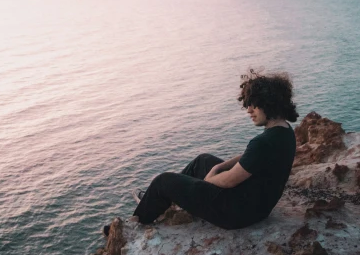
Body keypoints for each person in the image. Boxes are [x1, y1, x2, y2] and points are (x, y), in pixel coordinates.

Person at [104, 69, 298, 234]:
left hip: (237, 214)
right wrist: (221, 165)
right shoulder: (284, 132)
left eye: (253, 104)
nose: (248, 110)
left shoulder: (263, 142)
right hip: (257, 206)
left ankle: (137, 221)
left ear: (268, 103)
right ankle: (162, 200)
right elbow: (252, 157)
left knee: (164, 180)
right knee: (202, 160)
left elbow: (230, 180)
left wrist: (211, 178)